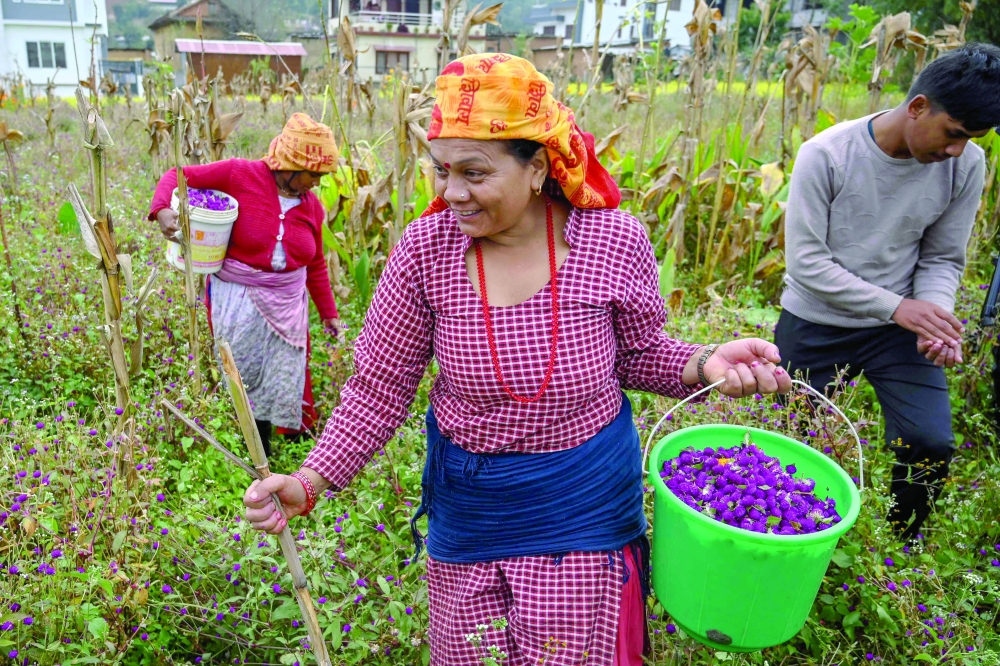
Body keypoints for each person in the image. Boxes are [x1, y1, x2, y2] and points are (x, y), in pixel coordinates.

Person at [242, 54, 792, 666]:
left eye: (474, 173)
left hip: (582, 507)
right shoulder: (427, 251)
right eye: (441, 170)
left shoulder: (611, 240)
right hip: (471, 510)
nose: (452, 192)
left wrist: (706, 363)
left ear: (538, 168)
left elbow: (638, 356)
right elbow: (379, 389)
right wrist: (309, 479)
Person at [775, 43, 1000, 543]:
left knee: (930, 441)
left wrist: (935, 319)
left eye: (973, 139)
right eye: (954, 134)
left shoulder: (967, 165)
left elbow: (942, 255)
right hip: (814, 321)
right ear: (918, 107)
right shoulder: (827, 155)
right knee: (791, 446)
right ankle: (792, 541)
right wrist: (902, 308)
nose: (956, 151)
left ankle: (902, 546)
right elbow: (808, 266)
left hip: (896, 330)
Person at [149, 113, 341, 456]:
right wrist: (162, 209)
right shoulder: (240, 173)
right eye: (315, 175)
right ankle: (257, 449)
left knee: (286, 372)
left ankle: (298, 447)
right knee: (245, 374)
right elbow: (177, 176)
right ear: (292, 164)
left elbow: (315, 265)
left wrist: (329, 314)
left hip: (287, 303)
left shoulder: (313, 208)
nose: (317, 183)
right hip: (239, 299)